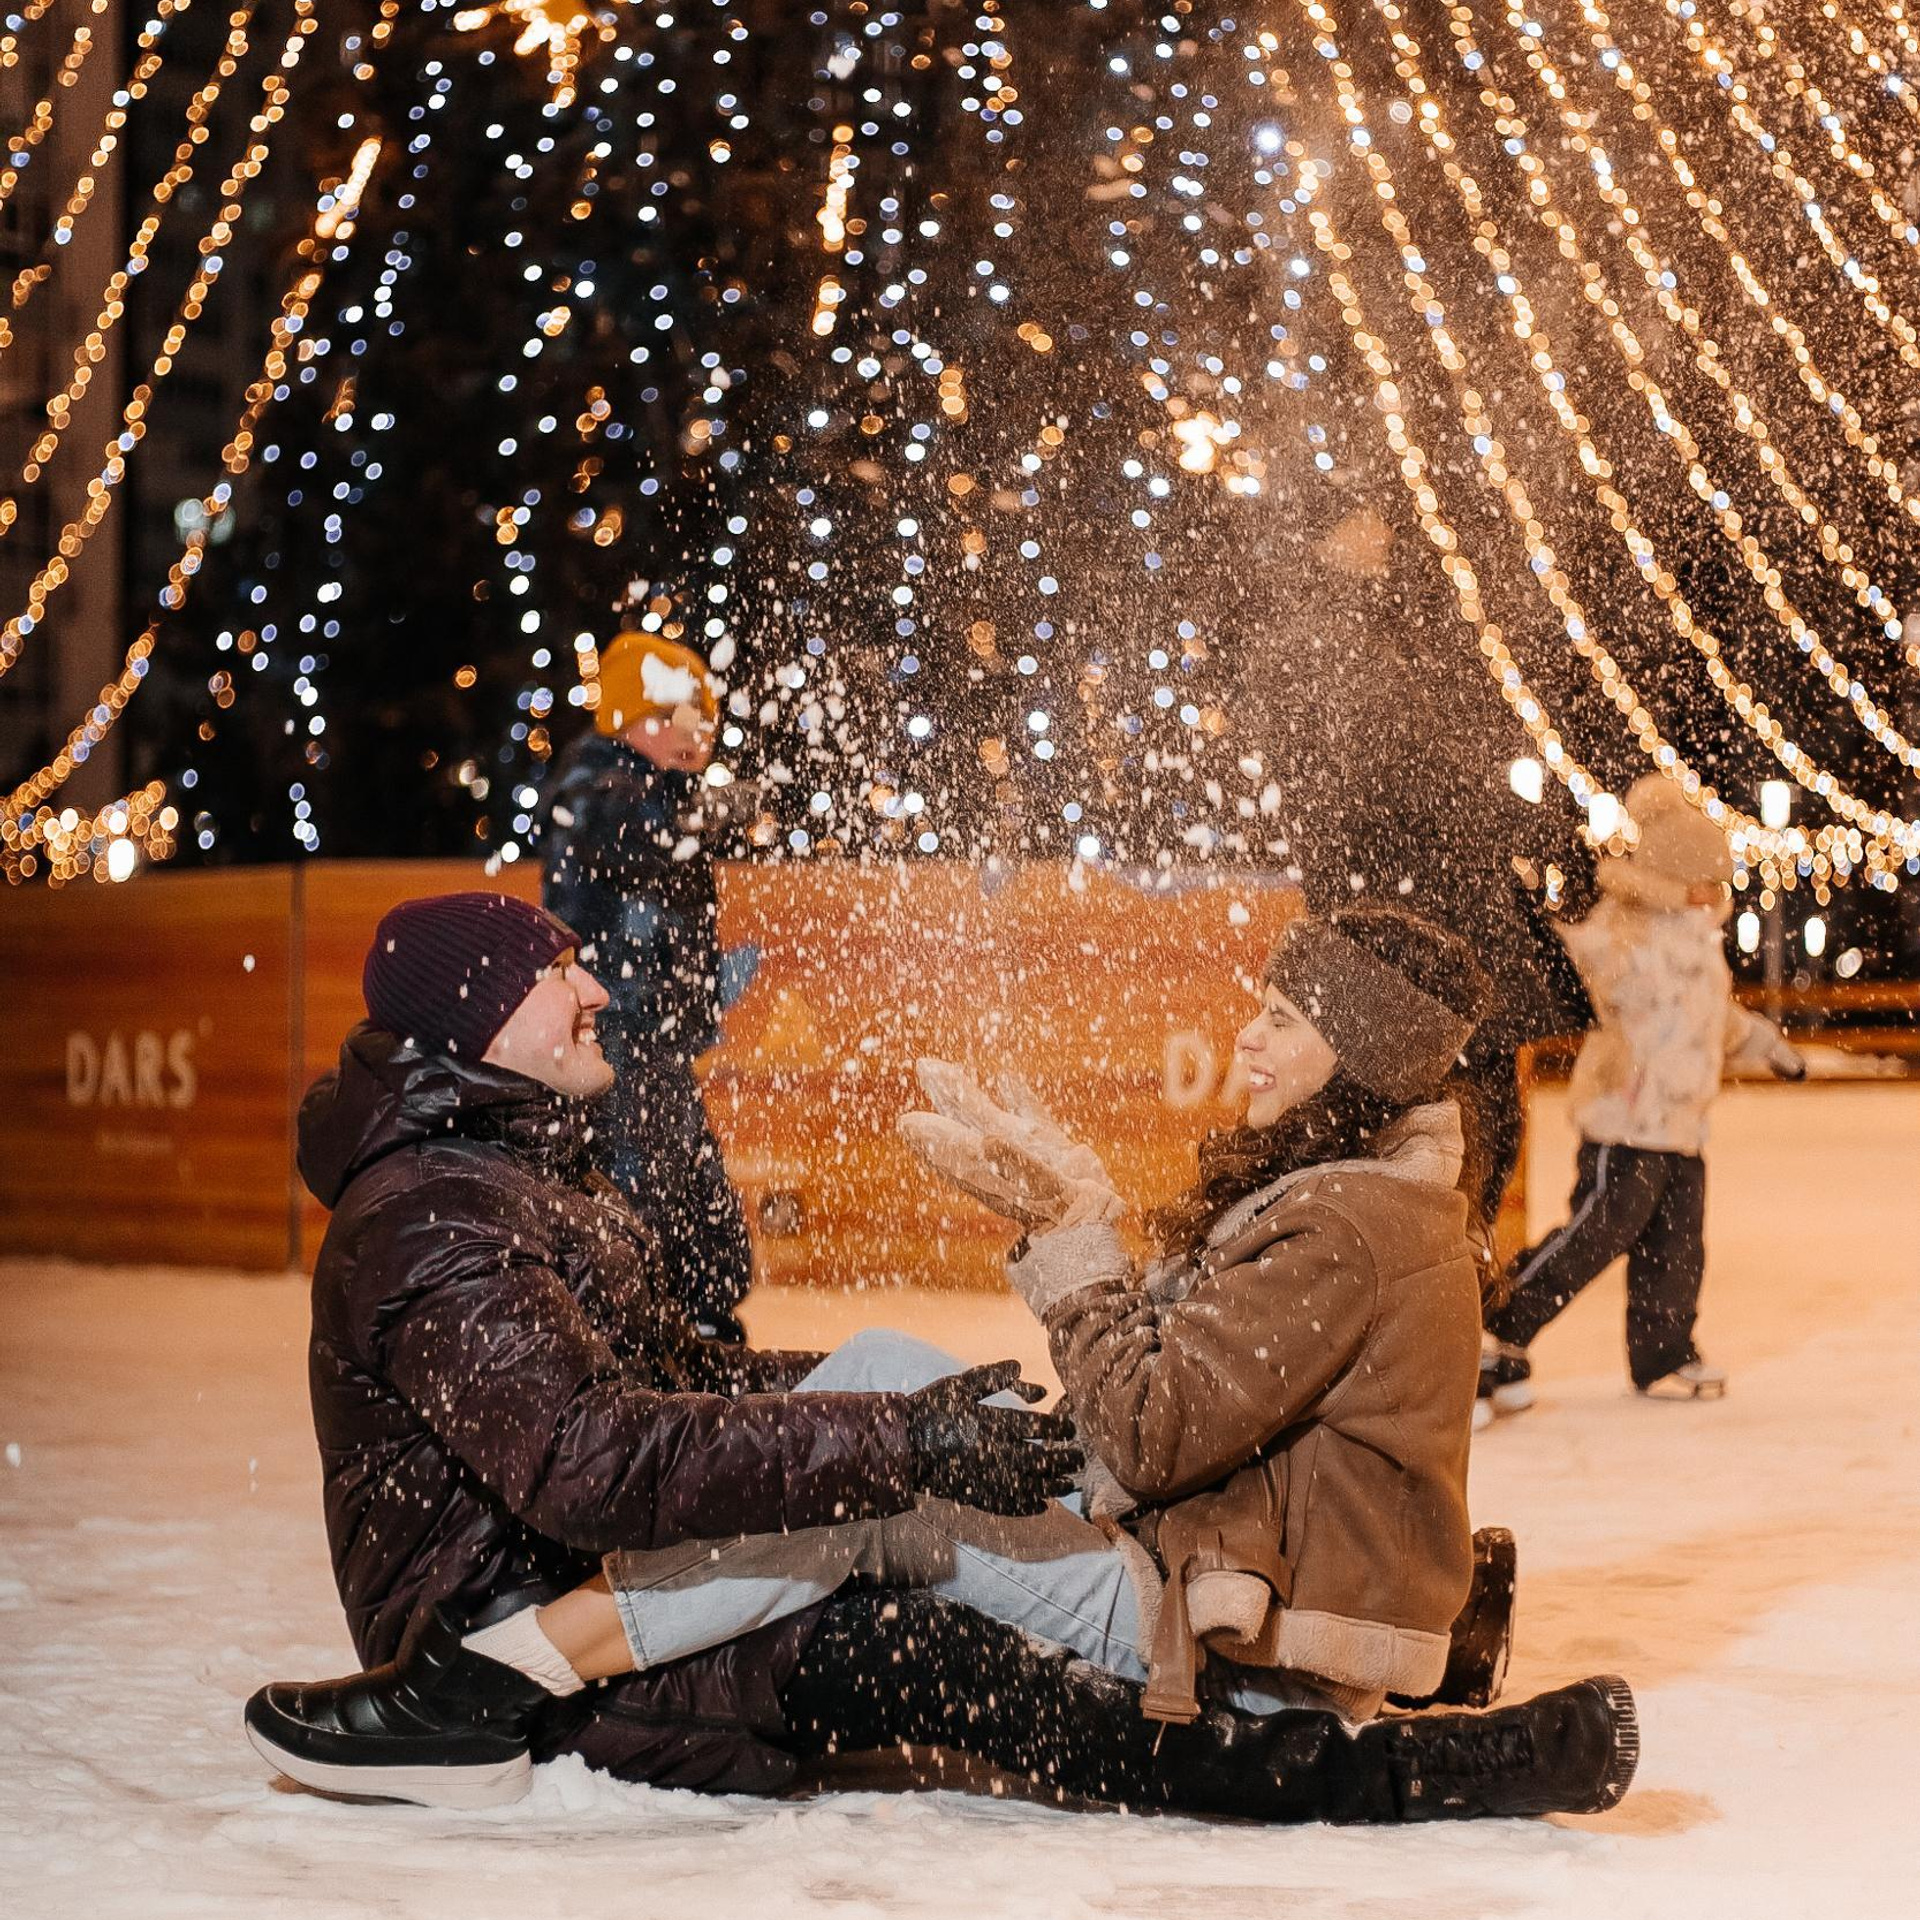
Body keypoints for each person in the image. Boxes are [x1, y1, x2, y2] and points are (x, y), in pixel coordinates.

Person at [247, 898, 1638, 1825]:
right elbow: (595, 1457)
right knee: (888, 1534)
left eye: (1283, 1017)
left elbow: (1157, 1424)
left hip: (1199, 1582)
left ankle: (489, 1685)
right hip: (518, 1584)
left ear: (1357, 1057)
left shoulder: (1345, 1220)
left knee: (890, 1503)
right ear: (480, 1022)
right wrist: (909, 1426)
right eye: (558, 974)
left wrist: (937, 1392)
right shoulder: (443, 1213)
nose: (597, 984)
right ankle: (485, 1681)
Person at [1480, 776, 1807, 1417]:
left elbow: (1718, 1019)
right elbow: (1577, 958)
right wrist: (1540, 922)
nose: (1712, 892)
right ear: (1670, 875)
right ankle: (1503, 1327)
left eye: (1716, 881)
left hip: (1682, 1124)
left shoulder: (1699, 942)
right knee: (1594, 1234)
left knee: (1677, 1247)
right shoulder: (1624, 927)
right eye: (1700, 879)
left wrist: (1768, 1045)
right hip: (1625, 1118)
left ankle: (1664, 1353)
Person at [537, 627, 753, 1339]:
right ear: (629, 720)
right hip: (617, 1031)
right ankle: (642, 1332)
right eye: (673, 719)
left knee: (696, 1196)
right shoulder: (599, 786)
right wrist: (702, 809)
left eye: (699, 722)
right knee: (642, 1185)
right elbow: (634, 829)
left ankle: (705, 1312)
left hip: (657, 1033)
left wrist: (702, 989)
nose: (693, 737)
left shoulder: (657, 796)